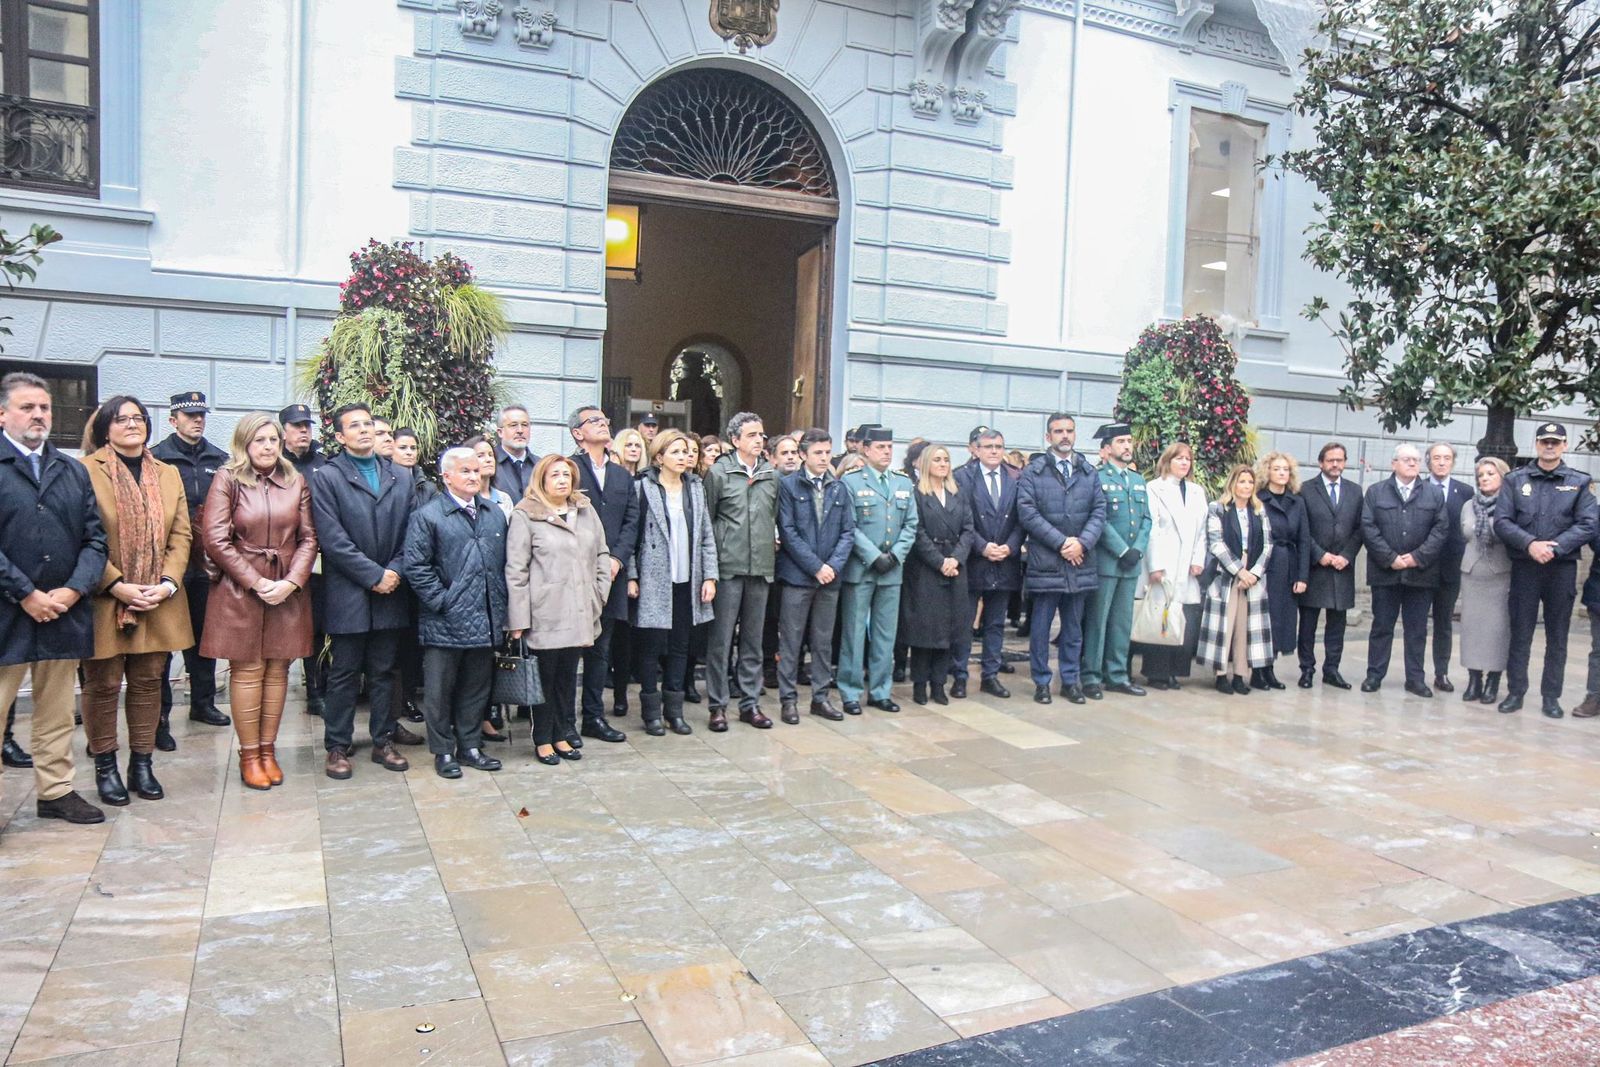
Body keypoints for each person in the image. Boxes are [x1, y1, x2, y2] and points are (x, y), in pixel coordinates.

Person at [0, 372, 108, 826]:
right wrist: (26, 593)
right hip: (8, 612)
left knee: (56, 711)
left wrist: (73, 589)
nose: (39, 415)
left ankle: (56, 792)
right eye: (28, 407)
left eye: (44, 407)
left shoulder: (72, 470)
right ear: (3, 413)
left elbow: (96, 541)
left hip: (63, 612)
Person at [81, 395, 194, 805]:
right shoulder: (84, 471)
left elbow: (181, 535)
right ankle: (105, 765)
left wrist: (166, 583)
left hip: (157, 597)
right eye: (122, 419)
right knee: (103, 684)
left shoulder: (167, 473)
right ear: (104, 427)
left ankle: (142, 765)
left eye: (139, 418)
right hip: (104, 597)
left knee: (148, 683)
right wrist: (115, 585)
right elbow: (80, 535)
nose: (132, 424)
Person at [200, 413, 318, 789]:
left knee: (278, 670)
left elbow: (309, 538)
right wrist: (255, 582)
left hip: (286, 586)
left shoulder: (294, 480)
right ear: (244, 444)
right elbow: (215, 539)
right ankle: (249, 754)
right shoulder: (228, 478)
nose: (268, 447)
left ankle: (269, 751)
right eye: (259, 440)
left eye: (273, 439)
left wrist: (292, 582)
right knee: (248, 670)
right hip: (240, 587)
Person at [309, 403, 420, 779]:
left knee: (384, 670)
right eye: (354, 426)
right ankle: (337, 746)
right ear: (339, 437)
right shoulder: (326, 477)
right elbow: (332, 538)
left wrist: (394, 571)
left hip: (392, 587)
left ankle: (383, 741)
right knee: (344, 672)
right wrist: (373, 574)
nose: (364, 430)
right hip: (349, 589)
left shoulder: (400, 476)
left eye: (368, 424)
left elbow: (412, 531)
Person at [404, 447, 507, 777]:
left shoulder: (493, 513)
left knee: (476, 688)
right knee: (439, 690)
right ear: (446, 476)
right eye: (465, 471)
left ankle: (470, 746)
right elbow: (417, 567)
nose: (474, 477)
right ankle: (443, 751)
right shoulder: (429, 515)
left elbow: (504, 565)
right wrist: (444, 601)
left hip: (485, 617)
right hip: (445, 620)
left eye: (477, 471)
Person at [508, 454, 613, 764]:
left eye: (567, 475)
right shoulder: (525, 515)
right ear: (542, 479)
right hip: (545, 613)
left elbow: (602, 553)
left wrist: (599, 594)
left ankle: (561, 734)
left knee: (568, 677)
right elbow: (516, 571)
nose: (563, 480)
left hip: (581, 610)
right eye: (555, 475)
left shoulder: (585, 509)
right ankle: (542, 739)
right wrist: (518, 619)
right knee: (545, 678)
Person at [1494, 422, 1598, 717]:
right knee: (1521, 632)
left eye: (1555, 442)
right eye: (1544, 442)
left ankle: (1551, 697)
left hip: (1561, 567)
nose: (1549, 446)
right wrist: (1530, 545)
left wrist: (1555, 547)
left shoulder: (1579, 482)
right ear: (1537, 445)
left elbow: (1588, 524)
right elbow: (1502, 521)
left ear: (1565, 445)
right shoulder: (1516, 480)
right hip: (1526, 566)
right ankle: (1516, 693)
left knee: (1557, 636)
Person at [150, 391, 231, 748]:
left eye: (201, 415)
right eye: (190, 415)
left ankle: (203, 703)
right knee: (164, 643)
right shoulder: (157, 458)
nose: (197, 420)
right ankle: (159, 716)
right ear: (173, 420)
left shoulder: (220, 459)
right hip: (169, 563)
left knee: (203, 639)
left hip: (207, 564)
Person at [629, 430, 718, 736]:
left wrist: (709, 576)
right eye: (676, 452)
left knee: (681, 646)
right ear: (659, 457)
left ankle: (674, 711)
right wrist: (632, 575)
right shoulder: (642, 488)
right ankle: (651, 712)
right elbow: (631, 536)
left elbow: (706, 535)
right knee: (652, 647)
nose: (684, 458)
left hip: (687, 578)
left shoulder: (695, 489)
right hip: (654, 579)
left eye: (686, 452)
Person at [1017, 413, 1105, 705]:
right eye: (1058, 431)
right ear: (1048, 437)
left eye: (1069, 431)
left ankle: (1070, 681)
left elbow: (1099, 511)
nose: (1064, 436)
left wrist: (1082, 543)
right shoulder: (1034, 472)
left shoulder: (1088, 472)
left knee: (1073, 628)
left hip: (1079, 561)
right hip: (1047, 561)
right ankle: (1042, 681)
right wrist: (1062, 542)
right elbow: (1028, 512)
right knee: (1041, 628)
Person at [702, 412, 779, 731]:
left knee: (752, 640)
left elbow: (772, 515)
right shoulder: (719, 473)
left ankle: (750, 704)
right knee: (720, 641)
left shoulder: (771, 474)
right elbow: (708, 519)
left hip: (760, 568)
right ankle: (718, 706)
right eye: (752, 435)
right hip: (728, 567)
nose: (759, 440)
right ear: (735, 440)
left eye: (761, 434)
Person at [569, 405, 639, 744]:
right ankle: (565, 720)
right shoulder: (569, 469)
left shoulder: (623, 475)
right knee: (570, 651)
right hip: (576, 574)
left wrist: (617, 559)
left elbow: (631, 521)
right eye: (594, 420)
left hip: (612, 574)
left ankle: (593, 717)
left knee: (601, 649)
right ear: (578, 433)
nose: (603, 424)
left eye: (605, 420)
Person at [837, 427, 919, 714]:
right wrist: (873, 556)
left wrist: (895, 555)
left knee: (886, 634)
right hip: (861, 568)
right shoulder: (850, 482)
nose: (886, 452)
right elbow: (849, 525)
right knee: (854, 633)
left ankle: (881, 691)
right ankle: (850, 690)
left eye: (889, 446)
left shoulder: (903, 483)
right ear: (866, 450)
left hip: (891, 570)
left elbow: (911, 524)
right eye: (881, 447)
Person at [1359, 444, 1451, 697]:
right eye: (1406, 459)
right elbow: (1368, 527)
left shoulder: (1433, 494)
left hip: (1421, 573)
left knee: (1417, 629)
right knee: (1381, 626)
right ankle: (1374, 675)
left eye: (1416, 460)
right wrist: (1390, 558)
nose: (1412, 464)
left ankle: (1415, 679)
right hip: (1385, 573)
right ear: (1394, 463)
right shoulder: (1376, 492)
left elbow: (1440, 530)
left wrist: (1417, 558)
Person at [775, 428, 853, 722]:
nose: (823, 458)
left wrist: (831, 566)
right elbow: (788, 531)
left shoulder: (839, 487)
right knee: (791, 641)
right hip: (798, 576)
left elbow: (848, 531)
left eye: (827, 452)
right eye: (817, 453)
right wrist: (815, 566)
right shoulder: (789, 486)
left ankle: (820, 698)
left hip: (830, 577)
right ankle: (788, 700)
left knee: (823, 642)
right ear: (803, 455)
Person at [1081, 424, 1151, 699]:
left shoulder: (1138, 480)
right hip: (1107, 562)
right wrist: (1122, 550)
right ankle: (1091, 675)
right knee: (1098, 622)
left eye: (1129, 441)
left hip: (1131, 563)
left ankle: (1117, 675)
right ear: (1107, 448)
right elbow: (1099, 519)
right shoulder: (1097, 478)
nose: (1127, 446)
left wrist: (1137, 550)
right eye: (1121, 441)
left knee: (1122, 623)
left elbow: (1146, 519)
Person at [902, 445, 974, 706]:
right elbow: (917, 532)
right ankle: (920, 684)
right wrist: (939, 561)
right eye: (937, 460)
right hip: (926, 569)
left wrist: (956, 558)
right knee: (925, 630)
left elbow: (968, 529)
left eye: (946, 460)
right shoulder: (917, 494)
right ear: (926, 464)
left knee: (949, 629)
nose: (943, 464)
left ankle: (939, 683)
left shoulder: (958, 493)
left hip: (955, 567)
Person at [954, 428, 1021, 698]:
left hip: (1004, 560)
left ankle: (990, 675)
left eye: (999, 446)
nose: (994, 451)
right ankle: (959, 674)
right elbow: (960, 518)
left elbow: (1021, 518)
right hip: (974, 560)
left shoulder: (1015, 477)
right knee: (965, 621)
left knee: (996, 623)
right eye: (988, 446)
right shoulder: (962, 477)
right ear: (976, 450)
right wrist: (982, 547)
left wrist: (1010, 546)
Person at [1137, 443, 1210, 689]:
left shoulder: (1197, 492)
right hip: (1164, 563)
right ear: (1167, 461)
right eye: (1179, 458)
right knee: (1161, 619)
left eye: (1188, 459)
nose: (1184, 463)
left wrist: (1198, 560)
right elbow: (1152, 529)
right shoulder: (1154, 489)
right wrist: (1155, 565)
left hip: (1187, 565)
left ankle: (1175, 671)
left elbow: (1202, 532)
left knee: (1183, 619)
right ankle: (1157, 672)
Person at [1196, 466, 1273, 694]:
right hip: (1226, 574)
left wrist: (1254, 574)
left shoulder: (1259, 510)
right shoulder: (1218, 508)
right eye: (1242, 482)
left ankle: (1241, 674)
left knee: (1245, 627)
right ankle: (1221, 675)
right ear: (1233, 484)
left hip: (1252, 577)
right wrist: (1240, 571)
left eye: (1250, 482)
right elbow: (1216, 543)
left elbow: (1268, 545)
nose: (1247, 487)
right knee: (1224, 625)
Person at [1297, 442, 1363, 689]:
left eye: (1340, 460)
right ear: (1321, 462)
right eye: (1330, 460)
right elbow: (1302, 528)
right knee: (1308, 624)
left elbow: (1360, 528)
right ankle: (1307, 669)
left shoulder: (1355, 491)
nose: (1335, 464)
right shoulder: (1305, 490)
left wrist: (1346, 555)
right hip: (1315, 567)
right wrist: (1319, 554)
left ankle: (1332, 669)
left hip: (1342, 568)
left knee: (1337, 624)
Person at [280, 403, 329, 715]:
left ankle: (317, 691)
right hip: (284, 556)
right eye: (297, 426)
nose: (303, 431)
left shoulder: (323, 463)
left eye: (307, 426)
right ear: (283, 430)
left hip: (320, 558)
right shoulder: (275, 463)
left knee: (318, 627)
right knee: (284, 626)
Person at [1255, 451, 1310, 691]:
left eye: (1285, 469)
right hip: (1266, 563)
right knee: (1263, 618)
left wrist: (1302, 575)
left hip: (1288, 563)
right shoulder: (1259, 499)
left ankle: (1271, 668)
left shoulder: (1297, 501)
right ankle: (1259, 670)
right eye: (1277, 469)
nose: (1281, 473)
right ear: (1267, 471)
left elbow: (1304, 540)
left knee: (1282, 620)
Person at [1458, 457, 1511, 707]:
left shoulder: (1511, 504)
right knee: (1472, 628)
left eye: (1490, 473)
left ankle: (1493, 681)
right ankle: (1474, 679)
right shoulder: (1469, 505)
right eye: (1481, 475)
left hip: (1499, 573)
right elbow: (1464, 532)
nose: (1485, 478)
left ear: (1502, 476)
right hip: (1472, 573)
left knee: (1497, 629)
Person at [390, 427, 433, 727]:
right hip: (393, 572)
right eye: (402, 447)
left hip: (420, 574)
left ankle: (410, 696)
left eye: (413, 447)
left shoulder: (427, 487)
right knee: (395, 646)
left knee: (413, 646)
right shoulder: (386, 480)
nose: (409, 452)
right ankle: (398, 702)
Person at [1424, 442, 1473, 692]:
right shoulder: (1418, 488)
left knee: (1443, 623)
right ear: (1428, 462)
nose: (1441, 462)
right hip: (1421, 567)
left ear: (1453, 461)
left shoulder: (1465, 491)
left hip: (1451, 568)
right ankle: (1414, 672)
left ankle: (1441, 673)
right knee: (1417, 623)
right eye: (1436, 458)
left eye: (1446, 458)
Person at [494, 404, 537, 500]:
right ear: (500, 432)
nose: (520, 430)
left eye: (525, 425)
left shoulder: (540, 465)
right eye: (513, 425)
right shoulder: (490, 464)